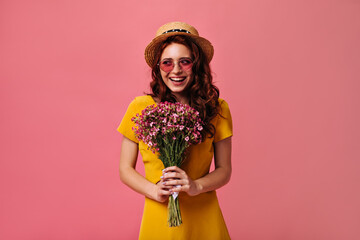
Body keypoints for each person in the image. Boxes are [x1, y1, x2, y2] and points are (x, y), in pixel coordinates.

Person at [117, 21, 233, 240]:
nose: (176, 70)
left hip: (205, 219)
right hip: (159, 219)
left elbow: (224, 170)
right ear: (158, 67)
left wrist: (196, 185)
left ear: (197, 65)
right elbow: (125, 169)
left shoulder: (218, 108)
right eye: (167, 63)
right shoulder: (140, 108)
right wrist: (153, 191)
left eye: (185, 62)